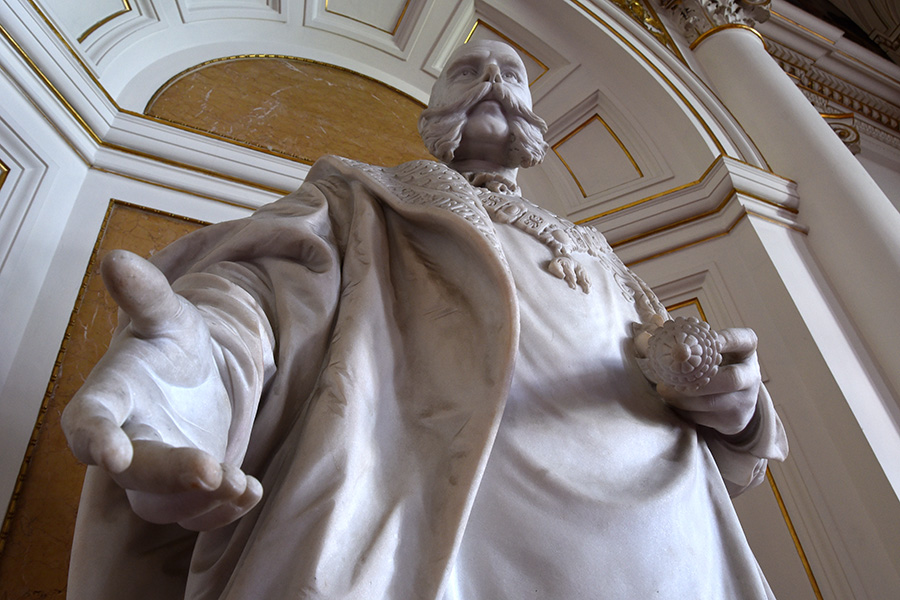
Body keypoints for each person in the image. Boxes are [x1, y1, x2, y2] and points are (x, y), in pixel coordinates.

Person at [62, 40, 787, 599]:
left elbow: (689, 390)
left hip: (656, 537)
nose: (494, 76)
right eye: (468, 69)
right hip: (436, 513)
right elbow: (264, 291)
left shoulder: (604, 255)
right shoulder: (364, 198)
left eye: (511, 70)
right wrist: (194, 375)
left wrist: (739, 409)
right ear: (431, 114)